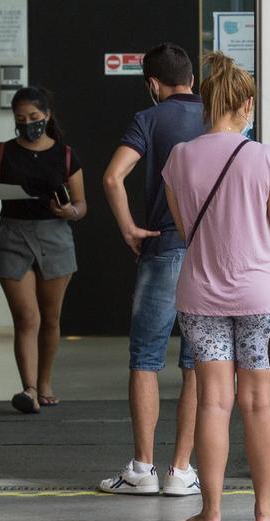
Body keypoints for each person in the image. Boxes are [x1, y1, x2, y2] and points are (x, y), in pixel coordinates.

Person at [161, 52, 270, 521]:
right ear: (246, 104)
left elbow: (183, 227)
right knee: (258, 401)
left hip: (201, 293)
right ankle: (263, 512)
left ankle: (210, 513)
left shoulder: (179, 158)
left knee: (214, 401)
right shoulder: (267, 157)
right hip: (259, 294)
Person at [98, 43, 202, 497]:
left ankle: (142, 468)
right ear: (193, 81)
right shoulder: (219, 118)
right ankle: (181, 471)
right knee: (198, 363)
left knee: (145, 359)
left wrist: (128, 228)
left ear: (154, 84)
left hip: (161, 246)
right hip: (208, 254)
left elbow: (111, 176)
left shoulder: (149, 118)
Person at [0, 86, 86, 414]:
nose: (28, 124)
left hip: (55, 236)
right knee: (27, 316)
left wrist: (70, 212)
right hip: (12, 236)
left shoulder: (66, 154)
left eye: (35, 118)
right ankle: (29, 389)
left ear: (47, 116)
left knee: (50, 318)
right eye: (21, 119)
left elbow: (81, 205)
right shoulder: (2, 152)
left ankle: (45, 380)